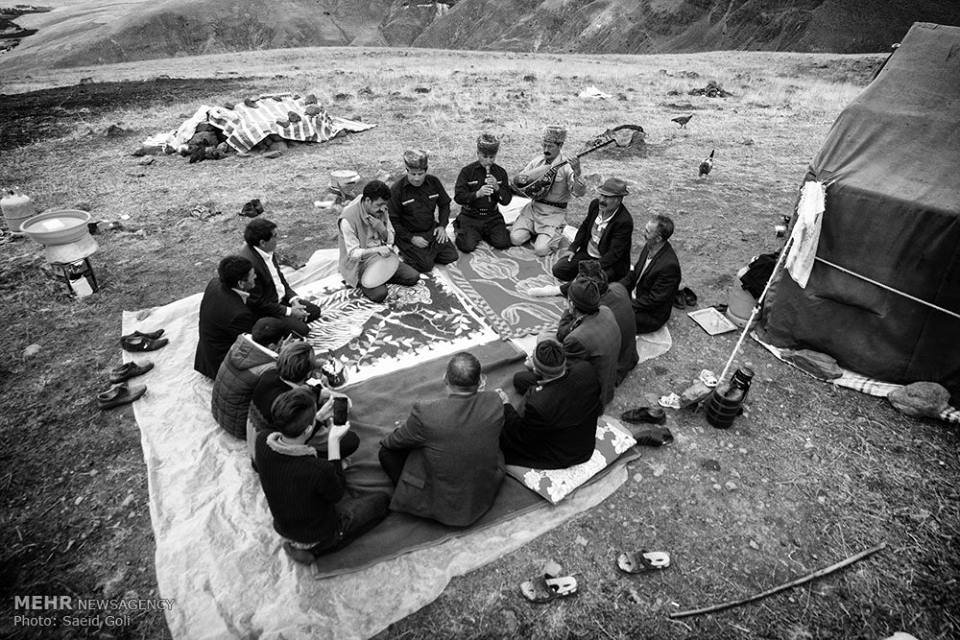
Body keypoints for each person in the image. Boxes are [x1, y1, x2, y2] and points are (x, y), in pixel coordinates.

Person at [255, 388, 390, 562]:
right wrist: (333, 442)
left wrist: (317, 419)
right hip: (318, 533)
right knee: (382, 502)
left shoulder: (262, 441)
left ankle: (306, 544)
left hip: (284, 526)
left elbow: (298, 437)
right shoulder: (317, 469)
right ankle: (317, 549)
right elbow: (338, 492)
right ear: (307, 430)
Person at [377, 352, 505, 527]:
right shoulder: (495, 401)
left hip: (443, 504)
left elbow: (392, 442)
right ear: (480, 381)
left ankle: (412, 494)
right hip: (482, 494)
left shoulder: (426, 413)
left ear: (445, 378)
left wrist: (407, 429)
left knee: (387, 453)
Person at [249, 341, 359, 465]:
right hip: (270, 456)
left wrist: (325, 391)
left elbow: (304, 390)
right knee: (351, 441)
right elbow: (303, 433)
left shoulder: (270, 374)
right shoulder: (293, 403)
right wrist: (320, 421)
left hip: (258, 443)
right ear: (308, 374)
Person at [499, 336, 602, 469]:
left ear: (536, 369)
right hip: (571, 410)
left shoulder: (538, 404)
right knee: (521, 379)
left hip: (568, 452)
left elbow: (522, 436)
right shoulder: (586, 369)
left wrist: (506, 405)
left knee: (502, 439)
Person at [338, 180, 421, 303]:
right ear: (367, 200)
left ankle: (381, 278)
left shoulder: (382, 209)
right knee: (379, 295)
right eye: (378, 205)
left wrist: (381, 228)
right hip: (361, 263)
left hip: (382, 256)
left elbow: (391, 239)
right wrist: (376, 249)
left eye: (384, 204)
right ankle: (369, 280)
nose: (382, 208)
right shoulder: (348, 219)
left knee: (413, 277)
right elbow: (353, 253)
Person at [510, 125, 586, 256]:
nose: (546, 150)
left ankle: (554, 231)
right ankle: (537, 232)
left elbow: (579, 193)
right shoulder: (537, 161)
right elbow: (522, 179)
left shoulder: (567, 166)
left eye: (550, 146)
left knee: (541, 250)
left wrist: (577, 172)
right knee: (515, 239)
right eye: (544, 145)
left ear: (560, 145)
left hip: (553, 213)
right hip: (533, 209)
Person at [239, 218, 322, 337]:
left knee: (314, 311)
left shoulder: (266, 250)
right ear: (263, 242)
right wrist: (289, 311)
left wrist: (294, 300)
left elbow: (279, 278)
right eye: (275, 236)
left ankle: (291, 321)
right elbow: (258, 303)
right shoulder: (251, 266)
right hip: (268, 310)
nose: (277, 239)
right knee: (302, 330)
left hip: (280, 299)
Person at [211, 317, 291, 439]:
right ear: (271, 346)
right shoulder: (269, 369)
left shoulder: (238, 345)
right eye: (281, 341)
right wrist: (285, 355)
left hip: (220, 414)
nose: (283, 343)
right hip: (244, 428)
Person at [552, 177, 634, 295]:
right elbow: (585, 227)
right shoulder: (595, 205)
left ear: (618, 200)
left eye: (607, 197)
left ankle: (566, 288)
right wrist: (573, 248)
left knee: (587, 285)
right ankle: (579, 281)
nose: (602, 200)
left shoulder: (624, 222)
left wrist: (592, 268)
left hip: (608, 263)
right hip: (588, 254)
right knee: (559, 270)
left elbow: (614, 255)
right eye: (601, 195)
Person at [388, 149, 459, 272]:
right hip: (409, 234)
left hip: (430, 230)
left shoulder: (433, 182)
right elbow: (394, 220)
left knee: (451, 256)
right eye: (413, 174)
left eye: (420, 174)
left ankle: (425, 254)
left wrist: (442, 226)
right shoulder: (397, 189)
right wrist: (411, 238)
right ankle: (407, 252)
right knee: (426, 266)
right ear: (407, 170)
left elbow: (444, 204)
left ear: (426, 170)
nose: (416, 178)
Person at [557, 276, 620, 406]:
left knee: (545, 340)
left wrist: (536, 365)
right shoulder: (606, 311)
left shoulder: (575, 339)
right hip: (607, 387)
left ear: (572, 304)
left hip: (592, 401)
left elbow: (563, 373)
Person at [574, 260, 639, 385]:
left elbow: (568, 336)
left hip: (613, 370)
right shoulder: (618, 287)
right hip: (630, 357)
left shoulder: (596, 313)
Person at [194, 255, 256, 379]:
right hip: (221, 364)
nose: (256, 277)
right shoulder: (239, 314)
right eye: (252, 275)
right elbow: (251, 344)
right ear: (241, 283)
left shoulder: (215, 283)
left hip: (206, 355)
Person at [619, 215, 682, 334]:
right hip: (636, 299)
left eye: (647, 232)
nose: (643, 233)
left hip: (650, 314)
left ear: (658, 238)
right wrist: (617, 287)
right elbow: (635, 273)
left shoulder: (669, 267)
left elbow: (653, 301)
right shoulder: (649, 246)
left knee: (613, 318)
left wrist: (626, 305)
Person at [453, 133, 513, 252]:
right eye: (484, 156)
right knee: (467, 246)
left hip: (492, 216)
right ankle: (463, 228)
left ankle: (482, 233)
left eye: (492, 157)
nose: (488, 161)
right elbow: (458, 197)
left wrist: (497, 187)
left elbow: (506, 200)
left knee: (503, 243)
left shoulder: (500, 172)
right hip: (471, 216)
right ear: (478, 153)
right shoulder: (467, 172)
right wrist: (477, 194)